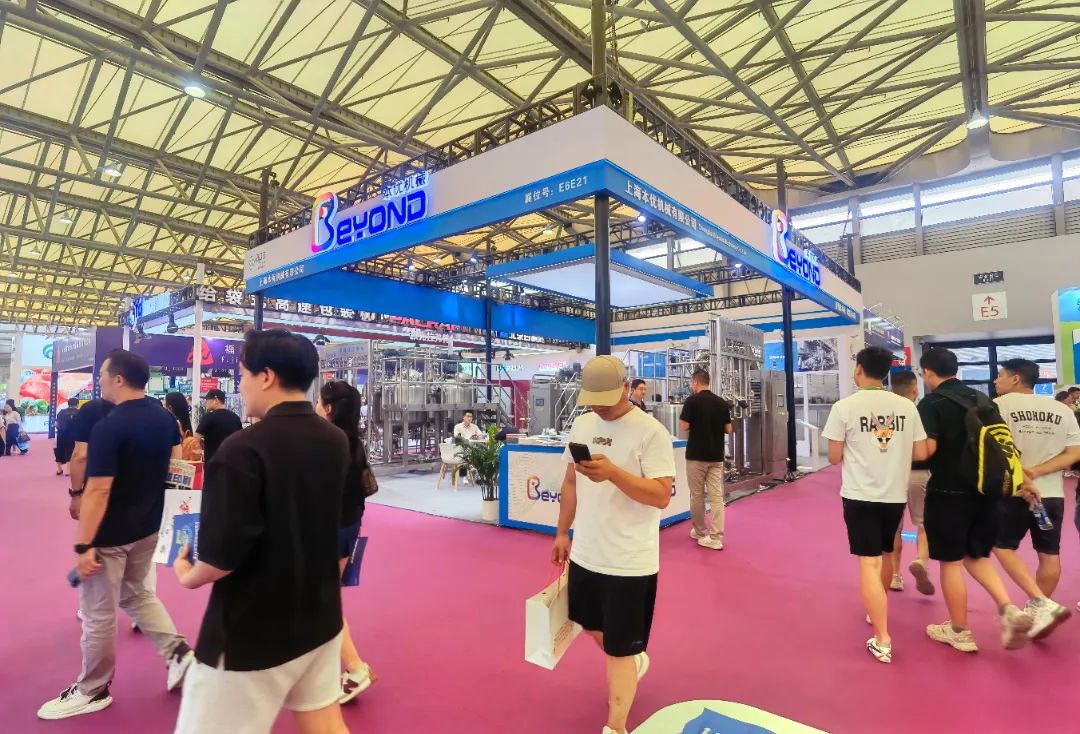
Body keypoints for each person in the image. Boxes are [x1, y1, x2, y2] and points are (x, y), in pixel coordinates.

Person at [173, 330, 351, 734]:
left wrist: (188, 575)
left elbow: (220, 559)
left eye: (243, 374)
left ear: (266, 376)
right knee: (324, 725)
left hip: (252, 630)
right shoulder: (335, 439)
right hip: (320, 615)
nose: (240, 385)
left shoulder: (241, 450)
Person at [37, 350, 193, 720]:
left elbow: (99, 489)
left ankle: (93, 689)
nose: (100, 380)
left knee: (98, 613)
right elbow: (177, 468)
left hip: (110, 533)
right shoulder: (164, 417)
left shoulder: (109, 426)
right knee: (137, 594)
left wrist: (84, 544)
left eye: (104, 375)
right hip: (148, 526)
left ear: (119, 378)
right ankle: (180, 655)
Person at [550, 355, 675, 734]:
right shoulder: (583, 424)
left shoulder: (651, 432)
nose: (599, 407)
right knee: (589, 626)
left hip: (629, 561)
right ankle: (634, 660)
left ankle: (616, 725)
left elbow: (661, 495)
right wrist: (561, 532)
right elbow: (571, 482)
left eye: (606, 398)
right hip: (586, 553)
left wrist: (614, 474)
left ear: (626, 387)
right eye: (593, 399)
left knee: (618, 651)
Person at [917, 347, 1037, 653]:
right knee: (976, 556)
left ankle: (960, 631)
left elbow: (926, 450)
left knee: (950, 562)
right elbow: (1003, 445)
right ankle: (1008, 608)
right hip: (987, 492)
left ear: (928, 372)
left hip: (948, 493)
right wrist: (1022, 480)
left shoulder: (931, 403)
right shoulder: (982, 399)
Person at [822, 347, 928, 664]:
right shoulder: (907, 407)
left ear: (858, 369)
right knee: (884, 555)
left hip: (859, 495)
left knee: (869, 563)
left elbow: (833, 457)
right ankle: (876, 609)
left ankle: (882, 639)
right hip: (894, 495)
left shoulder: (844, 407)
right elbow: (921, 452)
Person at [991, 359, 1078, 639]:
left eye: (1000, 375)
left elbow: (996, 450)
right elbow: (1074, 452)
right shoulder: (1061, 410)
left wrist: (1024, 476)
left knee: (1000, 545)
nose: (996, 380)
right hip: (1051, 495)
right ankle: (1040, 609)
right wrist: (1039, 472)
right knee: (1049, 553)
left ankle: (1040, 603)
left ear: (1015, 378)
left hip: (1013, 492)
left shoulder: (998, 406)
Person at [317, 381, 378, 703]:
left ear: (329, 408)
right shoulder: (355, 443)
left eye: (318, 402)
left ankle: (355, 668)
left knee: (322, 602)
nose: (315, 407)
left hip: (327, 530)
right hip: (348, 526)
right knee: (323, 599)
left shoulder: (326, 444)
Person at [887, 370, 935, 595]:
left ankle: (894, 575)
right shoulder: (920, 413)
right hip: (919, 473)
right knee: (924, 524)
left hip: (892, 475)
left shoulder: (886, 416)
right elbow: (926, 449)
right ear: (915, 390)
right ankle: (921, 560)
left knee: (894, 528)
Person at [678, 369, 732, 551]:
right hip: (716, 456)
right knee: (716, 497)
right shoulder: (721, 403)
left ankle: (700, 532)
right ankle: (716, 537)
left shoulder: (691, 401)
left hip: (696, 456)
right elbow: (729, 429)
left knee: (697, 495)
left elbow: (684, 426)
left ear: (695, 383)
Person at [194, 389, 242, 463]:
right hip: (231, 461)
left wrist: (200, 450)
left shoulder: (209, 417)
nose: (206, 402)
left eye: (207, 400)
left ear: (216, 400)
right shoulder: (235, 417)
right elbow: (240, 439)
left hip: (212, 461)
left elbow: (196, 438)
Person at [165, 392, 200, 460]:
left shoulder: (174, 423)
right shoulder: (185, 420)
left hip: (176, 458)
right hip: (186, 457)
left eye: (164, 404)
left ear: (170, 407)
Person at [55, 397, 80, 476]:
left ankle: (59, 470)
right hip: (73, 435)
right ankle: (68, 471)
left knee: (59, 450)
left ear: (68, 404)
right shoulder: (79, 412)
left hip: (61, 434)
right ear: (77, 404)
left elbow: (56, 424)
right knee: (70, 450)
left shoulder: (61, 412)